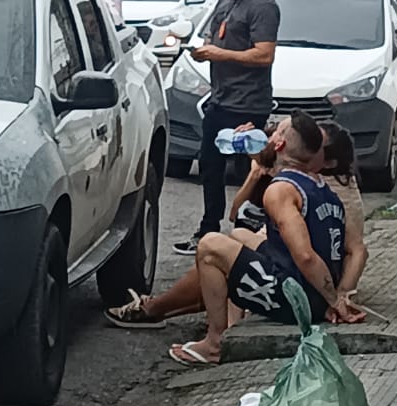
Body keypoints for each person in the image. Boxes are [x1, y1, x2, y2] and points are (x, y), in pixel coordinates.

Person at [107, 120, 367, 331]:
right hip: (307, 278)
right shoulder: (312, 180)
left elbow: (313, 255)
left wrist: (339, 296)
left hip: (307, 287)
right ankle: (171, 310)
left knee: (212, 247)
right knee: (238, 236)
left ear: (327, 161)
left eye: (317, 144)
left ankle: (212, 338)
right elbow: (242, 208)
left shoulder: (316, 189)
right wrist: (256, 158)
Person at [171, 112, 362, 366]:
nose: (269, 134)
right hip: (314, 290)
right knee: (239, 235)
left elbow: (304, 255)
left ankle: (214, 343)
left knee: (209, 245)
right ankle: (233, 325)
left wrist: (334, 301)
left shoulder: (281, 190)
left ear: (280, 144)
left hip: (297, 298)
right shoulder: (322, 188)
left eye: (276, 132)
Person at [173, 0, 281, 256]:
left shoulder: (263, 6)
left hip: (248, 104)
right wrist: (203, 49)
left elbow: (264, 54)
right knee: (210, 165)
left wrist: (220, 54)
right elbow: (213, 37)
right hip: (220, 100)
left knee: (248, 172)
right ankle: (208, 229)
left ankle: (252, 234)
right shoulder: (225, 1)